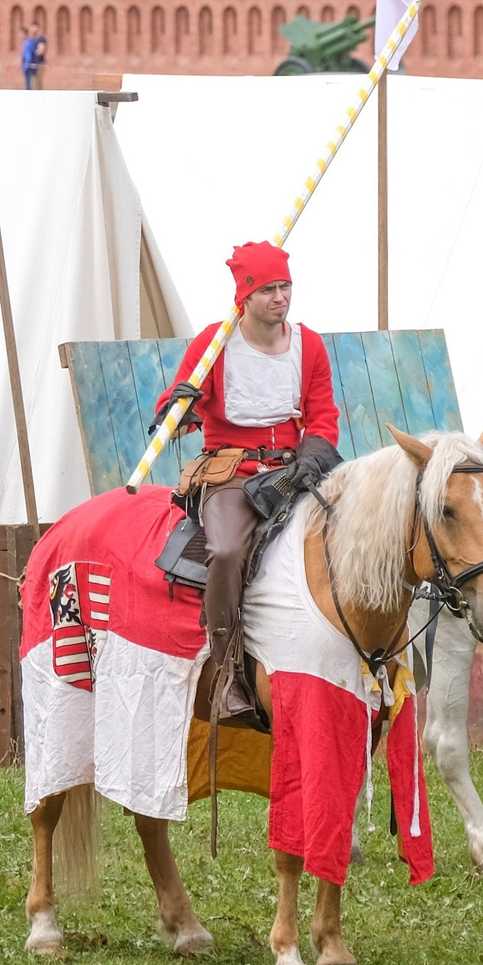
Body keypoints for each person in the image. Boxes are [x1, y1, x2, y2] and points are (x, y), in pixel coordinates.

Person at [151, 241, 340, 719]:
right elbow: (169, 411)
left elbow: (323, 418)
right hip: (231, 473)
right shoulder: (214, 344)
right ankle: (227, 675)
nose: (281, 298)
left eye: (286, 286)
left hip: (294, 473)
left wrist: (312, 456)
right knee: (229, 551)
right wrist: (184, 405)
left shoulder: (309, 345)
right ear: (245, 297)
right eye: (270, 289)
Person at [20, 25, 47, 89]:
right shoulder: (33, 41)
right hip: (33, 65)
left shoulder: (31, 41)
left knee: (33, 84)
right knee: (35, 84)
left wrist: (26, 66)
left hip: (33, 65)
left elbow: (29, 55)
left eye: (33, 28)